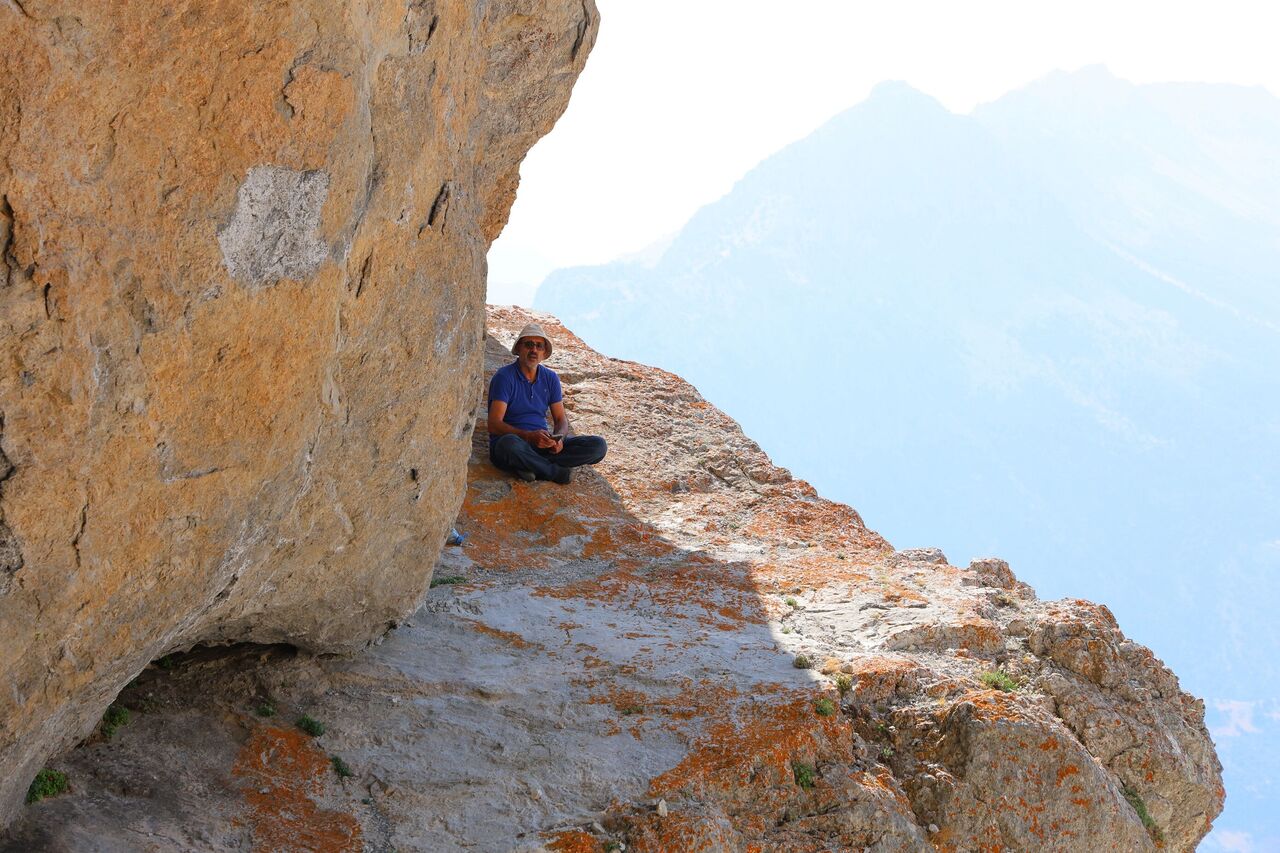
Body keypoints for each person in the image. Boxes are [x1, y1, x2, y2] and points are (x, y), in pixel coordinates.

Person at [487, 323, 607, 484]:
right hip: (515, 442)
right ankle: (555, 472)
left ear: (544, 352)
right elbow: (494, 424)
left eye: (539, 346)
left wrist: (559, 440)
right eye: (529, 344)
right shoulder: (505, 377)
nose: (534, 350)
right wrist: (528, 436)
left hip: (542, 445)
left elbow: (560, 419)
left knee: (597, 446)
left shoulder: (550, 378)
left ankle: (531, 466)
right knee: (508, 445)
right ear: (519, 349)